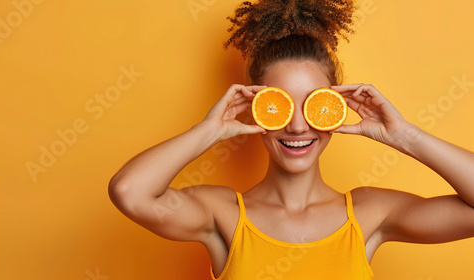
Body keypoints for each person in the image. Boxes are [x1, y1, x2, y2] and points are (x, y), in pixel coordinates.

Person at [108, 0, 474, 279]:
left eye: (314, 105)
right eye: (279, 105)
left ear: (336, 105)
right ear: (254, 108)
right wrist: (209, 130)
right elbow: (130, 192)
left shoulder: (369, 214)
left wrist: (405, 135)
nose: (298, 126)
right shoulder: (223, 214)